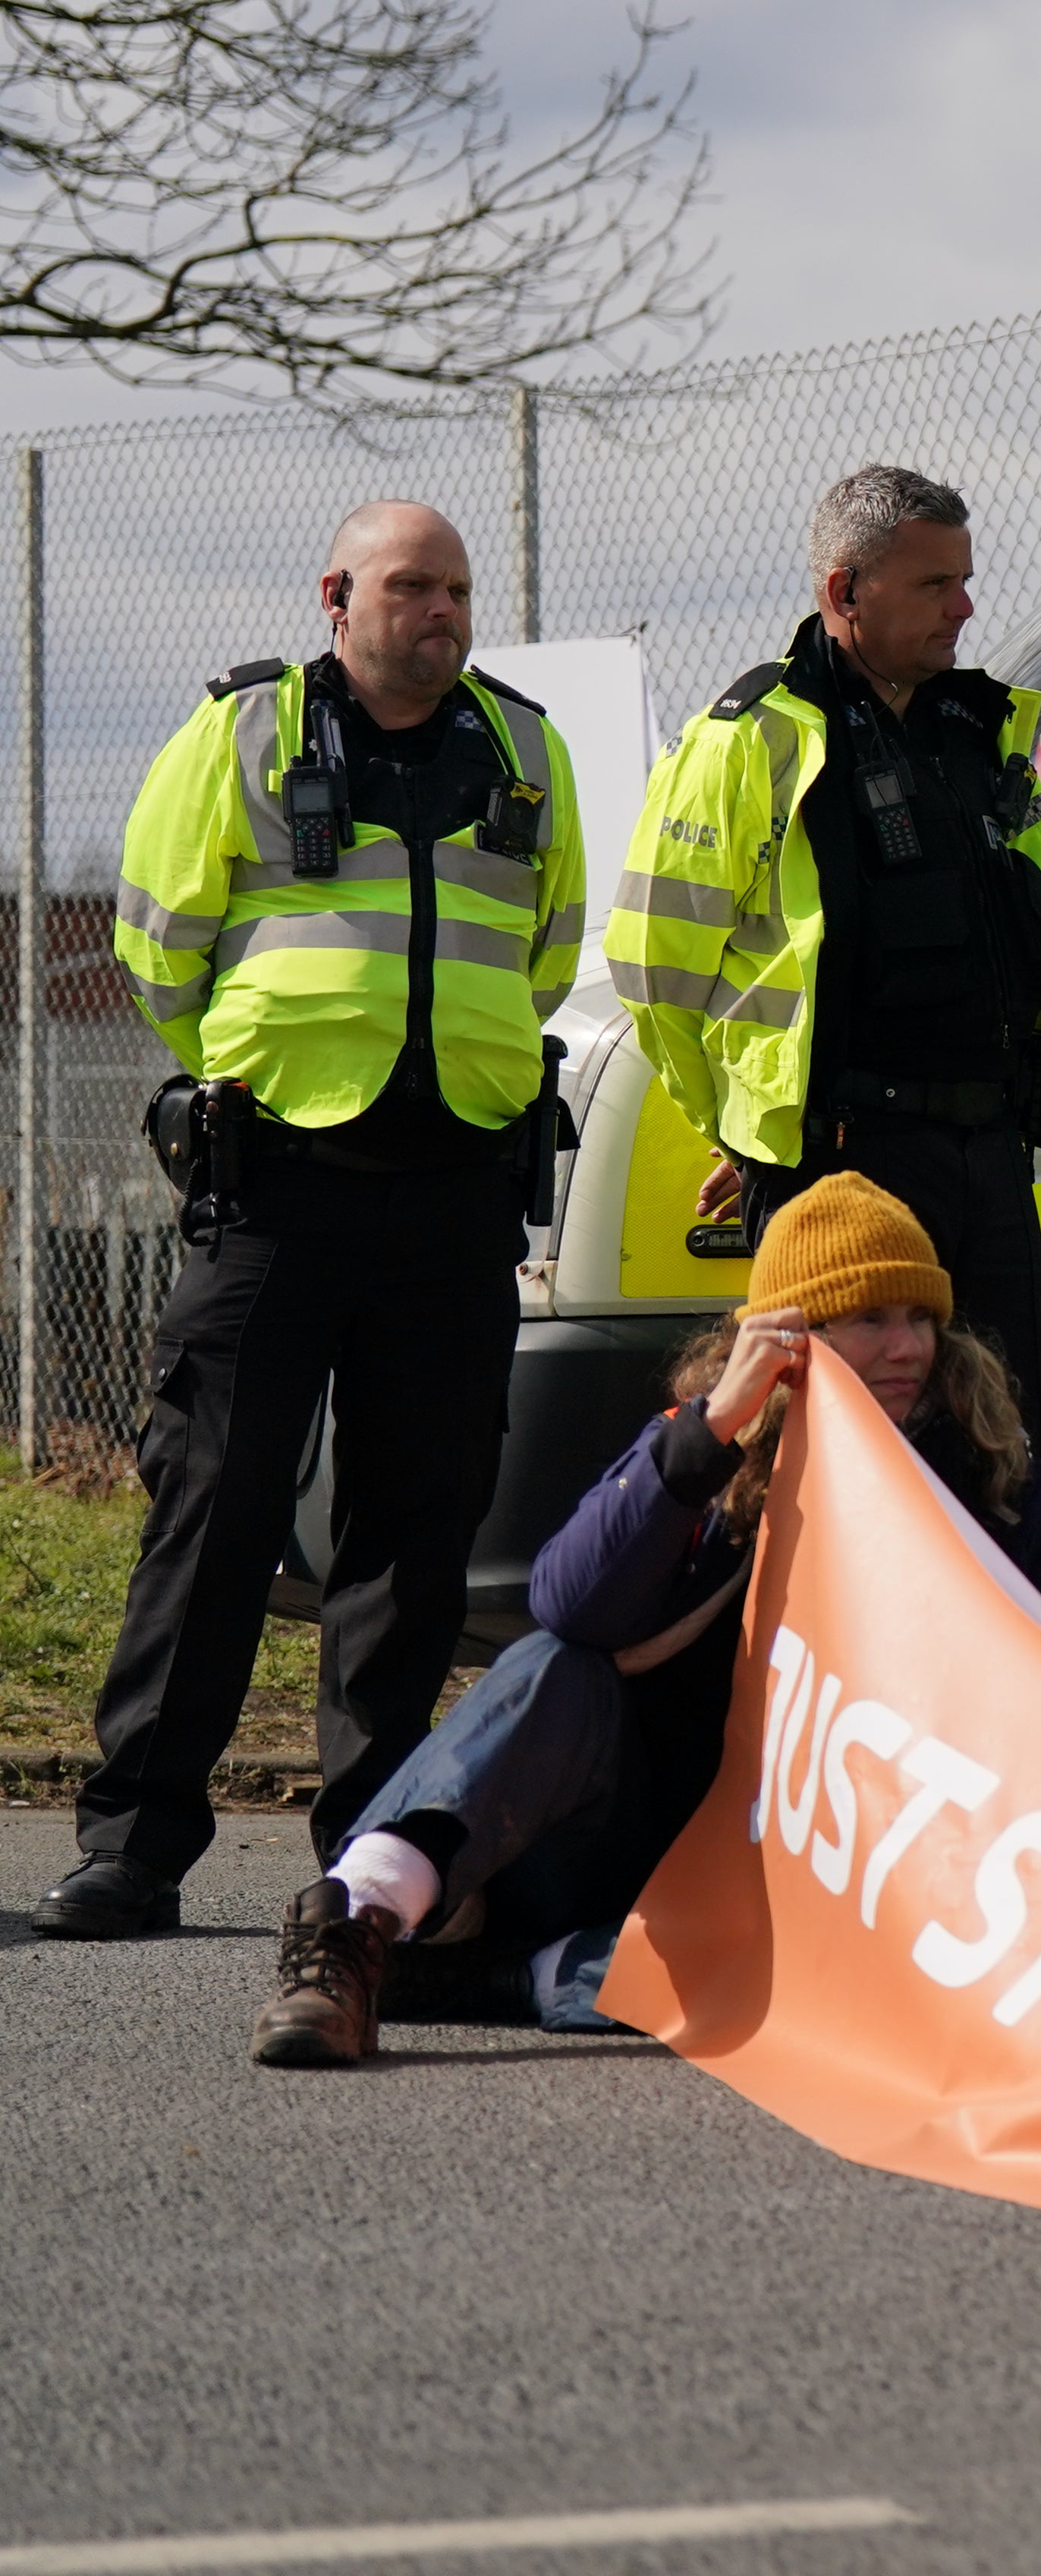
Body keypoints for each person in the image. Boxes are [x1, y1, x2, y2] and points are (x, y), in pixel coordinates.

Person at [41, 503, 587, 1943]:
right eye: (413, 587)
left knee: (417, 1530)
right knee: (214, 1515)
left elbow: (549, 947)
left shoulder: (525, 748)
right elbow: (159, 947)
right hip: (277, 1182)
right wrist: (269, 1060)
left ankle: (370, 1854)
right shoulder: (239, 738)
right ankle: (135, 1847)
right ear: (338, 596)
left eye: (458, 590)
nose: (442, 611)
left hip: (458, 1183)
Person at [247, 1176, 1041, 2064]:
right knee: (554, 1667)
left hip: (799, 1868)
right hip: (629, 1835)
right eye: (868, 1318)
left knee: (804, 1983)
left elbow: (1008, 1698)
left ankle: (523, 1974)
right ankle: (352, 1923)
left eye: (920, 1315)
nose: (906, 1345)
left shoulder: (997, 1486)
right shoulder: (715, 1443)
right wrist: (710, 1435)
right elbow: (568, 1604)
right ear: (789, 1339)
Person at [614, 464, 1041, 1463]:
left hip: (990, 1155)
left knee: (1016, 1457)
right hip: (843, 1160)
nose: (966, 605)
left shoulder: (981, 731)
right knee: (850, 1460)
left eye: (964, 578)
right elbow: (655, 967)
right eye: (934, 585)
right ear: (844, 593)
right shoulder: (749, 742)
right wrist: (746, 1127)